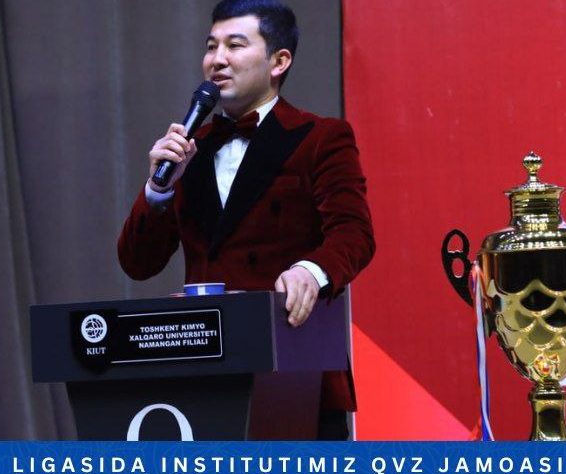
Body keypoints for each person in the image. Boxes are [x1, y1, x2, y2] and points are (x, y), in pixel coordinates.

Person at [117, 0, 374, 440]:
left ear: (279, 61)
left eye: (235, 45)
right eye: (211, 46)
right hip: (205, 373)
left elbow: (354, 233)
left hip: (295, 371)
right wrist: (158, 190)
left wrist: (311, 272)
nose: (217, 59)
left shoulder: (320, 137)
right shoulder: (191, 149)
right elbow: (138, 264)